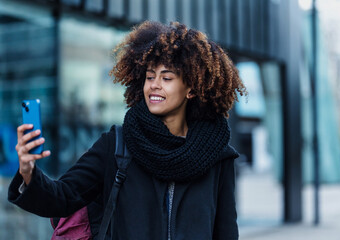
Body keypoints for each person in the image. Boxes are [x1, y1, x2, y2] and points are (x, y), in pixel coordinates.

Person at [8, 21, 246, 239]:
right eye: (150, 76)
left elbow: (225, 232)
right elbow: (62, 197)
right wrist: (28, 172)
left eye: (167, 78)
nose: (154, 84)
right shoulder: (117, 145)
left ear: (191, 89)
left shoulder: (216, 156)